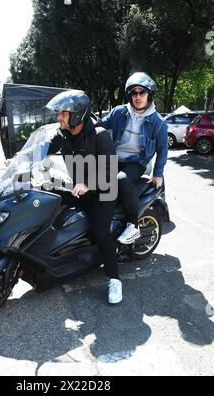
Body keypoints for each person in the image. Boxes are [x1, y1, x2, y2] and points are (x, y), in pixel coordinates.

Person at [44, 90, 123, 304]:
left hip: (103, 191)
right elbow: (42, 149)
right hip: (78, 188)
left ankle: (114, 280)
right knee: (47, 196)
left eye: (63, 113)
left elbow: (109, 171)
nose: (59, 117)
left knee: (100, 232)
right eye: (59, 113)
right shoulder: (64, 134)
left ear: (77, 114)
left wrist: (87, 184)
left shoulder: (99, 135)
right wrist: (17, 160)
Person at [100, 72, 168, 245]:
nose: (138, 97)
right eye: (134, 93)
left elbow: (162, 150)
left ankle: (133, 225)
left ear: (149, 95)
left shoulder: (158, 122)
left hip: (137, 162)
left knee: (120, 179)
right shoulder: (119, 112)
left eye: (142, 93)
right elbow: (99, 125)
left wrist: (158, 173)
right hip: (114, 158)